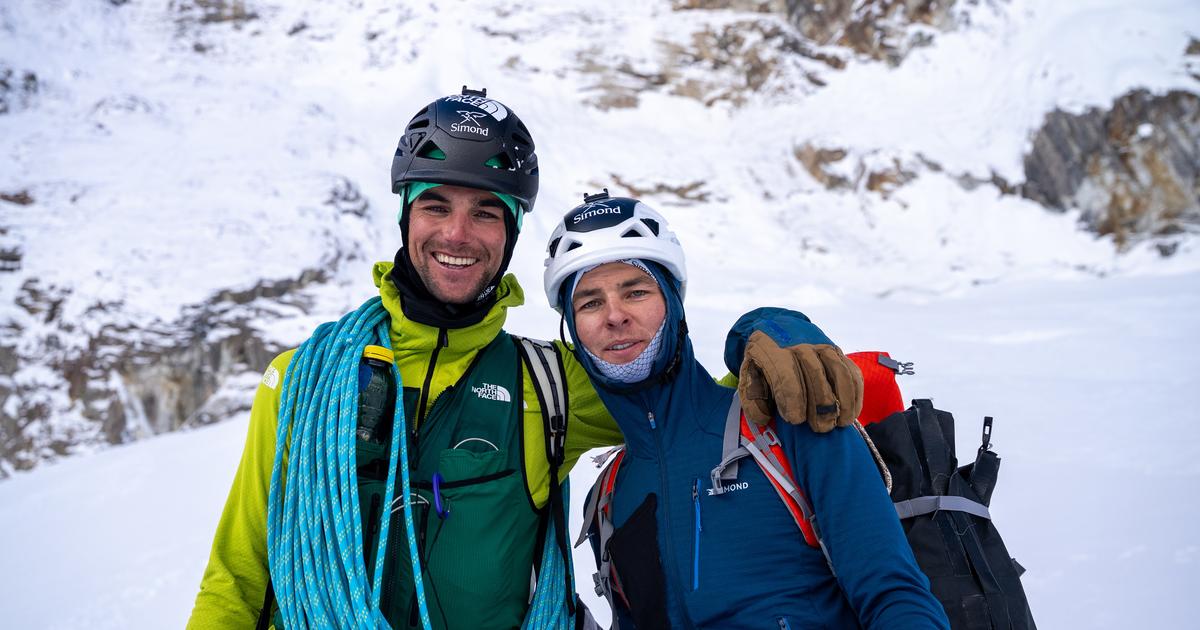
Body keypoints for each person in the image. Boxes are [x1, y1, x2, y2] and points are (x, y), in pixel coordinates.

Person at [186, 88, 864, 629]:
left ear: (510, 233)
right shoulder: (303, 380)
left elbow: (706, 408)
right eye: (436, 205)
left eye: (486, 212)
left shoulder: (551, 384)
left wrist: (769, 329)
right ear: (404, 218)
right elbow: (239, 576)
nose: (457, 234)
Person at [544, 193, 950, 629]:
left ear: (674, 304)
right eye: (589, 303)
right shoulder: (609, 496)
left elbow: (895, 596)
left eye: (636, 291)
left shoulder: (786, 427)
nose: (615, 316)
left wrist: (770, 325)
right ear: (573, 329)